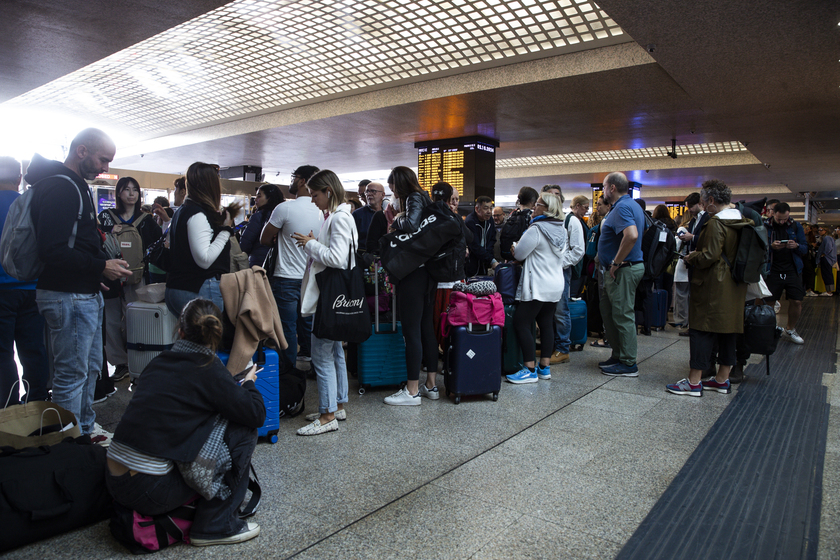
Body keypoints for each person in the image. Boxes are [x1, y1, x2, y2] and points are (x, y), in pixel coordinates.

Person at [106, 298, 265, 546]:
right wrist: (249, 383)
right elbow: (255, 414)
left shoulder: (158, 361)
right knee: (243, 430)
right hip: (150, 490)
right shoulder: (209, 368)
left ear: (180, 331)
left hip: (114, 482)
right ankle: (216, 525)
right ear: (217, 334)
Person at [29, 128, 132, 439]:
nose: (106, 168)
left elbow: (74, 246)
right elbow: (53, 249)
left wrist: (92, 274)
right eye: (103, 159)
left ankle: (83, 432)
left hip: (79, 292)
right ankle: (67, 447)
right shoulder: (61, 188)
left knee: (88, 370)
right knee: (71, 376)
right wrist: (100, 265)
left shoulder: (72, 185)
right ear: (82, 151)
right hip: (67, 296)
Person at [666, 180, 751, 397]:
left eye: (704, 202)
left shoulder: (715, 223)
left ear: (711, 200)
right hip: (734, 284)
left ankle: (694, 382)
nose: (703, 206)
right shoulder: (741, 220)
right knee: (728, 332)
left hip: (713, 284)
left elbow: (710, 255)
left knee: (701, 331)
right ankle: (722, 379)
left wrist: (691, 256)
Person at [291, 170, 357, 434]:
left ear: (328, 191)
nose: (312, 200)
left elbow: (338, 259)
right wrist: (317, 242)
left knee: (321, 355)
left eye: (315, 194)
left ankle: (327, 414)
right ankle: (338, 404)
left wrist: (311, 245)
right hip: (337, 294)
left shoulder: (338, 218)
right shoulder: (342, 217)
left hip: (328, 296)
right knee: (335, 352)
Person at [98, 176, 162, 382]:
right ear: (118, 193)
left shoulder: (147, 221)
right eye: (127, 189)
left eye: (135, 190)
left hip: (137, 277)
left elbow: (159, 246)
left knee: (136, 318)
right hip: (109, 277)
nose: (132, 194)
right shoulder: (106, 218)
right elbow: (92, 237)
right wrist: (108, 232)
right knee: (111, 321)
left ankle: (138, 359)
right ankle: (120, 363)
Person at [383, 167, 439, 405]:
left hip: (413, 273)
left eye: (393, 186)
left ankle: (412, 390)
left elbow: (412, 223)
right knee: (426, 327)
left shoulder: (414, 198)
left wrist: (397, 218)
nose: (392, 191)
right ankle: (431, 385)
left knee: (411, 330)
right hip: (428, 272)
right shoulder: (425, 198)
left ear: (400, 183)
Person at [260, 165, 322, 367]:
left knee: (286, 327)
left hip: (286, 276)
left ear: (303, 181)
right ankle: (313, 364)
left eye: (294, 177)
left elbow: (264, 239)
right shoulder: (322, 211)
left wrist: (280, 241)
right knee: (309, 325)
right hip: (311, 276)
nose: (291, 181)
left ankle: (288, 371)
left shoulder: (285, 208)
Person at [0, 156, 49, 405]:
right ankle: (36, 403)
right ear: (19, 179)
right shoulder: (29, 205)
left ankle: (7, 409)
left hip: (1, 293)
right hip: (33, 289)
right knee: (33, 351)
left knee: (3, 355)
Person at [505, 193, 567, 384]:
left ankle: (529, 369)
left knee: (522, 322)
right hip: (555, 284)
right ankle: (544, 367)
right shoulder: (562, 230)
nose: (534, 207)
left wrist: (515, 248)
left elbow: (521, 253)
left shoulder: (537, 229)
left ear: (547, 208)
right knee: (546, 323)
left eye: (538, 204)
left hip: (538, 284)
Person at [165, 162, 234, 316]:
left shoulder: (182, 211)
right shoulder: (197, 214)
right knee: (208, 339)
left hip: (179, 288)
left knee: (190, 340)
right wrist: (226, 230)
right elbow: (204, 260)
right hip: (198, 289)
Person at [596, 172, 646, 377]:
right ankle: (618, 355)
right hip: (621, 269)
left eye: (604, 186)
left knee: (622, 315)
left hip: (623, 269)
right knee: (610, 314)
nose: (603, 190)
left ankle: (628, 362)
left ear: (612, 188)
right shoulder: (630, 205)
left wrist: (616, 263)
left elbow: (631, 235)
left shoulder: (623, 207)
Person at [544, 186, 584, 365]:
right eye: (549, 196)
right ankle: (550, 345)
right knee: (547, 310)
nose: (554, 198)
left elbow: (578, 251)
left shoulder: (570, 221)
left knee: (560, 310)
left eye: (557, 195)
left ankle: (563, 348)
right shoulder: (544, 220)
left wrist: (559, 264)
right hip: (545, 271)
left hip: (560, 271)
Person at [763, 202, 807, 344]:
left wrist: (796, 246)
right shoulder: (765, 226)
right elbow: (757, 248)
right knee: (769, 301)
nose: (782, 221)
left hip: (792, 268)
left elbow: (805, 249)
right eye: (779, 218)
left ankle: (790, 329)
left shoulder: (796, 226)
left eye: (785, 218)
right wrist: (771, 247)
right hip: (772, 269)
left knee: (796, 300)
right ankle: (771, 329)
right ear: (773, 213)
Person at [672, 193, 704, 333]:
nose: (689, 210)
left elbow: (708, 239)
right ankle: (688, 323)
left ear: (699, 203)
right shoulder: (693, 222)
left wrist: (693, 237)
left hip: (698, 265)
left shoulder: (706, 219)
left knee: (687, 296)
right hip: (690, 263)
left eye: (691, 206)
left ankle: (688, 322)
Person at [239, 184, 284, 268]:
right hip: (279, 263)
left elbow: (246, 243)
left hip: (258, 263)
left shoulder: (258, 216)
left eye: (259, 196)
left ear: (269, 198)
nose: (255, 199)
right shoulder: (282, 215)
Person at [465, 196, 497, 277]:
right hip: (472, 265)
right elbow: (475, 246)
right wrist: (491, 260)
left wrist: (489, 258)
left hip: (485, 264)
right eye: (485, 208)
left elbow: (492, 240)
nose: (489, 211)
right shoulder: (470, 222)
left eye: (490, 208)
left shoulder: (490, 221)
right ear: (477, 209)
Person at [353, 181, 386, 252]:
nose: (369, 194)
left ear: (382, 195)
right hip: (363, 256)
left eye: (373, 191)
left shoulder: (388, 214)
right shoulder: (357, 214)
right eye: (367, 192)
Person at [815, 225, 837, 296]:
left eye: (821, 230)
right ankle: (829, 290)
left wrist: (824, 254)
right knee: (827, 274)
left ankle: (829, 291)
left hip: (827, 258)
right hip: (828, 258)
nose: (819, 231)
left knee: (827, 274)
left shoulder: (827, 238)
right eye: (819, 230)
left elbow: (828, 247)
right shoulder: (826, 238)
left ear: (825, 231)